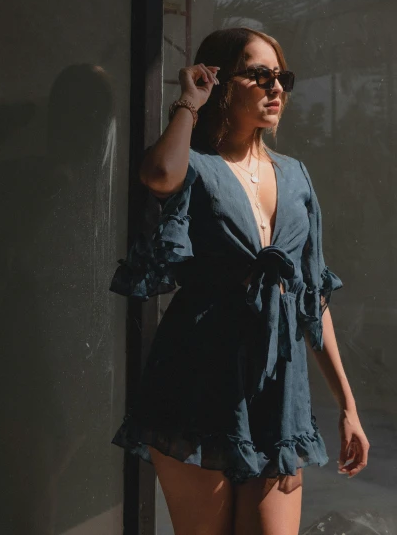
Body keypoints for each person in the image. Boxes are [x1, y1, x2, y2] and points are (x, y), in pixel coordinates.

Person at [109, 27, 370, 535]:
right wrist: (188, 101)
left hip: (277, 391)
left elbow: (312, 297)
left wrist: (348, 407)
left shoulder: (296, 175)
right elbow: (159, 174)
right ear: (220, 81)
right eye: (259, 74)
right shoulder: (197, 166)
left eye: (282, 77)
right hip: (196, 377)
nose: (276, 88)